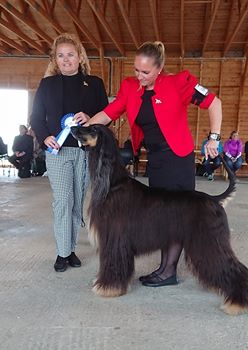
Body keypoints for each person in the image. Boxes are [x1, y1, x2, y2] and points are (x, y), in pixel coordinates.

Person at [79, 41, 222, 287]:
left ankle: (168, 271)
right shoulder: (130, 88)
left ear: (159, 68)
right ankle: (164, 269)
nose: (140, 76)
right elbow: (110, 113)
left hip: (178, 158)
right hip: (154, 160)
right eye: (136, 70)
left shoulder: (180, 83)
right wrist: (87, 127)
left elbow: (214, 103)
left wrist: (214, 138)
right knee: (161, 217)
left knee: (179, 215)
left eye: (145, 72)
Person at [30, 33, 108, 272]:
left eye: (70, 55)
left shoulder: (94, 84)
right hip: (58, 152)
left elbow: (106, 115)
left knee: (76, 203)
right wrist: (45, 137)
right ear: (55, 59)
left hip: (85, 153)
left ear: (79, 56)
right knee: (63, 201)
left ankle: (71, 248)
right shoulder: (47, 84)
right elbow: (36, 118)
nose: (66, 60)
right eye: (60, 56)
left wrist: (90, 118)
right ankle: (62, 253)